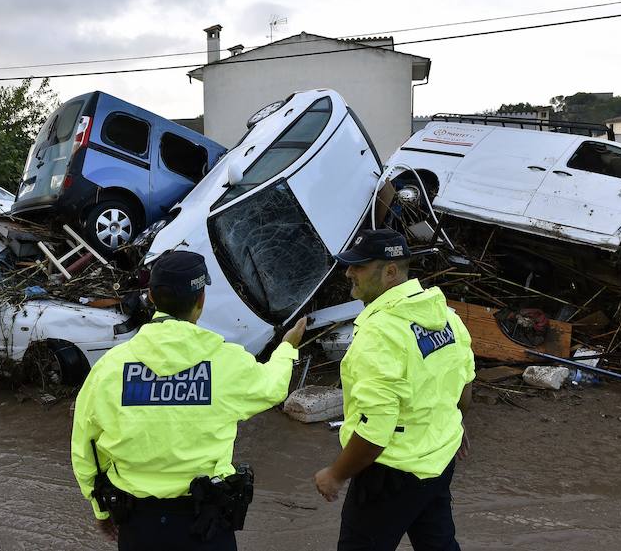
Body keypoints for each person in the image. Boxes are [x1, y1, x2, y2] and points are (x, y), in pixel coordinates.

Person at [71, 250, 307, 550]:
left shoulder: (109, 368)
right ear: (201, 300)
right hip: (206, 524)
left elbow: (85, 447)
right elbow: (273, 387)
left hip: (138, 525)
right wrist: (286, 349)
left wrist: (101, 509)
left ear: (152, 298)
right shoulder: (226, 361)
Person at [313, 228, 475, 551]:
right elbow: (463, 388)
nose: (348, 273)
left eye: (358, 266)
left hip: (389, 476)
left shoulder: (379, 335)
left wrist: (335, 473)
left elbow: (375, 431)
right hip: (437, 463)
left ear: (389, 272)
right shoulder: (446, 317)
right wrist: (450, 426)